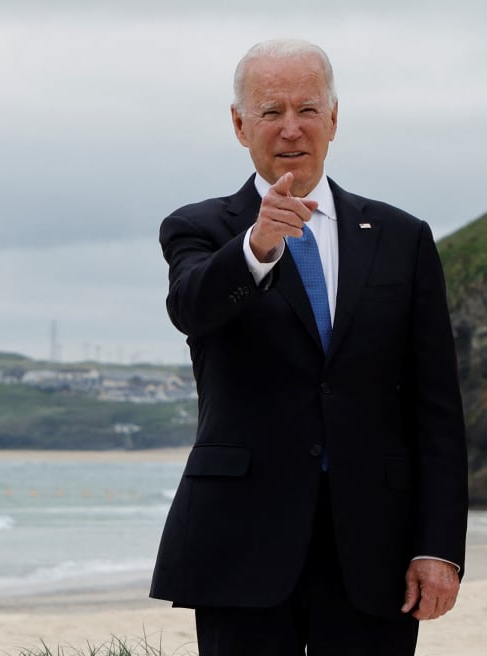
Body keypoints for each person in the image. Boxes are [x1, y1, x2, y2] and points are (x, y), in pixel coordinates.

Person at [149, 39, 468, 655]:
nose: (290, 128)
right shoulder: (200, 227)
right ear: (240, 125)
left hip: (375, 547)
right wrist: (258, 246)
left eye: (307, 110)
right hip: (241, 541)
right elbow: (192, 309)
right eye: (271, 112)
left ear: (335, 118)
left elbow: (436, 407)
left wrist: (438, 546)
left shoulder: (402, 237)